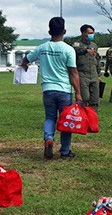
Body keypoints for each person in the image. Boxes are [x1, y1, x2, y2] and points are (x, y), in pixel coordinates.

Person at [22, 17, 83, 159]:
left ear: (49, 31)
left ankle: (48, 138)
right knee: (66, 121)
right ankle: (65, 151)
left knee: (50, 118)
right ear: (64, 31)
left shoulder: (42, 48)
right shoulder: (68, 49)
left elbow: (26, 60)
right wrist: (78, 93)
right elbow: (73, 73)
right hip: (64, 90)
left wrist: (25, 65)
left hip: (48, 90)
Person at [72, 25, 101, 110]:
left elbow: (97, 60)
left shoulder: (94, 45)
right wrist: (86, 51)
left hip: (94, 74)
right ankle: (83, 118)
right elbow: (76, 51)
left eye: (93, 33)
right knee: (84, 98)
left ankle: (93, 118)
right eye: (89, 33)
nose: (91, 35)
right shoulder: (77, 44)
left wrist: (99, 74)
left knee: (95, 99)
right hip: (82, 74)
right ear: (83, 33)